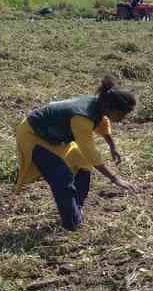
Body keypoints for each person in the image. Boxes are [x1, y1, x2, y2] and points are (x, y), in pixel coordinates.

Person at [15, 76, 137, 230]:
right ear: (111, 108)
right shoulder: (82, 117)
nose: (124, 118)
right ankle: (71, 224)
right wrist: (115, 178)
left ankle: (76, 209)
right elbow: (89, 151)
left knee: (83, 165)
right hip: (33, 135)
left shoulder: (98, 104)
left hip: (56, 137)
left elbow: (101, 121)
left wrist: (112, 145)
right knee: (61, 177)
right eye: (122, 114)